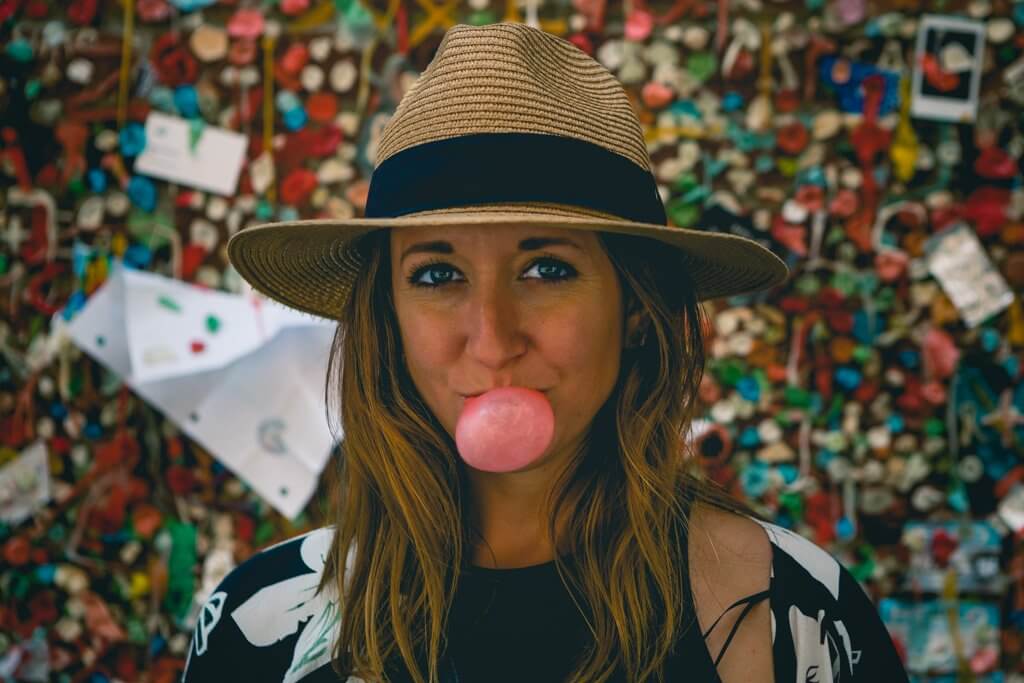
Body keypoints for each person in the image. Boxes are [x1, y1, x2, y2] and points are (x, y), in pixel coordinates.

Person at [181, 21, 909, 683]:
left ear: (633, 309)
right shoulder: (260, 625)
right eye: (437, 275)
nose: (493, 338)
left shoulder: (796, 617)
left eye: (547, 269)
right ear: (388, 318)